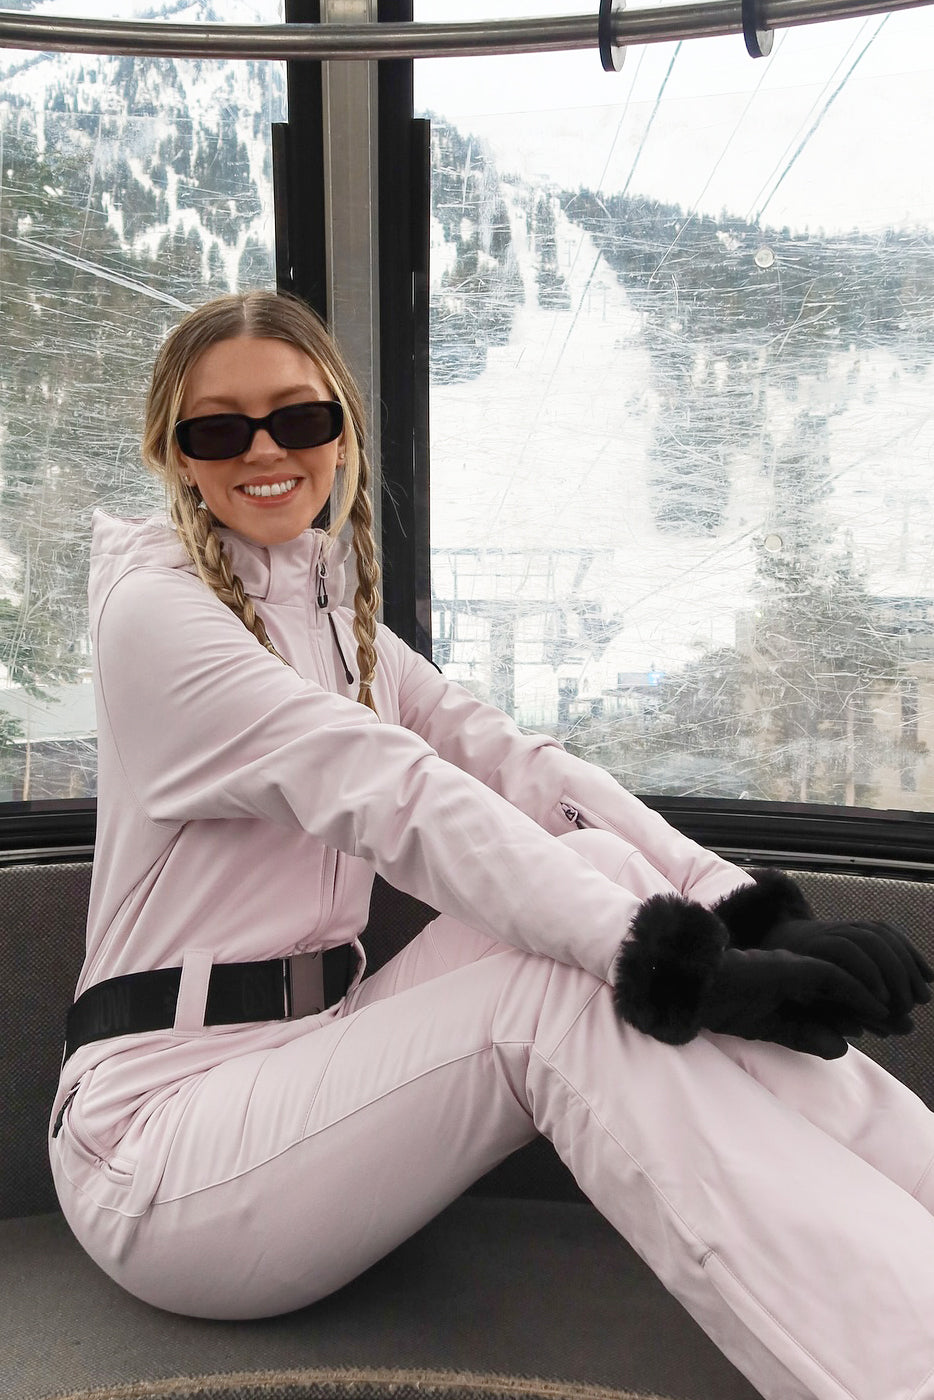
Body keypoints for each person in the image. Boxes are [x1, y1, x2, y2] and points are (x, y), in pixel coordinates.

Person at [50, 290, 934, 1400]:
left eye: (298, 418)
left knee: (601, 873)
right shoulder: (157, 618)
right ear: (176, 457)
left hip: (316, 1048)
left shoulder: (342, 626)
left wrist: (742, 912)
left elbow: (521, 769)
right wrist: (677, 966)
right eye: (219, 428)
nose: (264, 450)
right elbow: (395, 791)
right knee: (555, 994)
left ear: (342, 433)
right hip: (159, 1145)